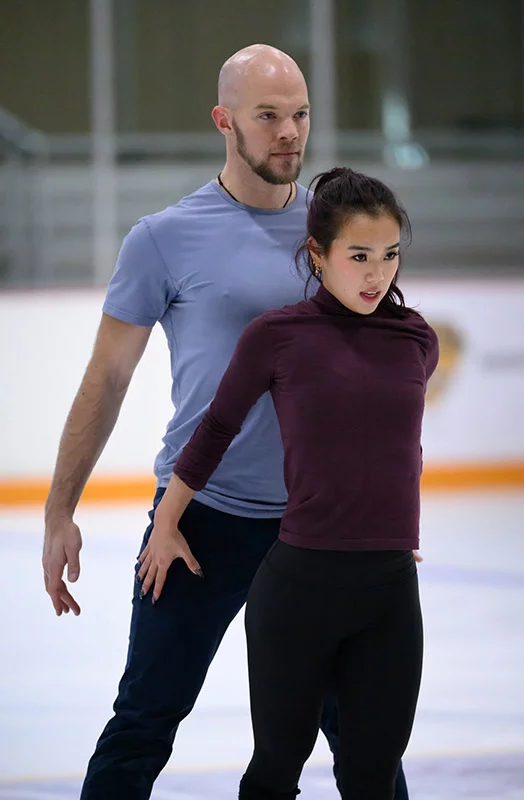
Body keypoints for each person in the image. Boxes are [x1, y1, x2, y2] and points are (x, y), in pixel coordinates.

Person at [41, 45, 410, 799]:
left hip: (320, 530)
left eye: (300, 114)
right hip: (199, 523)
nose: (289, 132)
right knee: (145, 718)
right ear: (223, 121)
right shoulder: (163, 238)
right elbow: (107, 379)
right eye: (267, 115)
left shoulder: (339, 234)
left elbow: (377, 378)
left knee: (362, 740)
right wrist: (59, 510)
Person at [138, 166, 439, 800]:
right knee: (277, 769)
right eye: (359, 256)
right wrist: (166, 520)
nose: (376, 274)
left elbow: (395, 442)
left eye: (389, 255)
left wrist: (385, 524)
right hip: (299, 589)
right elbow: (215, 430)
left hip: (389, 590)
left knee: (374, 776)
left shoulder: (416, 338)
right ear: (317, 254)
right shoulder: (277, 336)